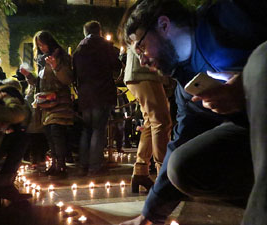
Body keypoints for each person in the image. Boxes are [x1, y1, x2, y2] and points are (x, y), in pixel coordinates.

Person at [118, 0, 267, 224]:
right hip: (256, 140)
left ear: (163, 24)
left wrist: (249, 85)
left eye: (141, 48)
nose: (142, 61)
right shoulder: (187, 88)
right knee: (181, 166)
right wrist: (149, 215)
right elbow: (180, 140)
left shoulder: (230, 14)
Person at [20, 30, 74, 178]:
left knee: (57, 133)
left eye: (42, 44)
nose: (41, 48)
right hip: (46, 104)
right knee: (49, 134)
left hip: (60, 102)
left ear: (49, 42)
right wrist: (28, 76)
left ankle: (61, 166)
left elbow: (68, 79)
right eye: (38, 46)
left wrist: (56, 66)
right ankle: (55, 165)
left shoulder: (61, 56)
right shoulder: (42, 60)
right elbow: (39, 83)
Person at [73, 20, 122, 176]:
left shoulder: (79, 49)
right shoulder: (106, 47)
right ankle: (95, 167)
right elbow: (117, 67)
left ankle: (83, 166)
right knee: (98, 130)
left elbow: (74, 75)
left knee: (86, 130)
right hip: (102, 93)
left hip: (85, 96)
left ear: (85, 32)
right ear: (99, 31)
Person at [124, 48, 172, 193]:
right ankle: (163, 176)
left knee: (151, 123)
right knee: (160, 122)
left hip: (140, 73)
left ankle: (141, 172)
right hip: (145, 73)